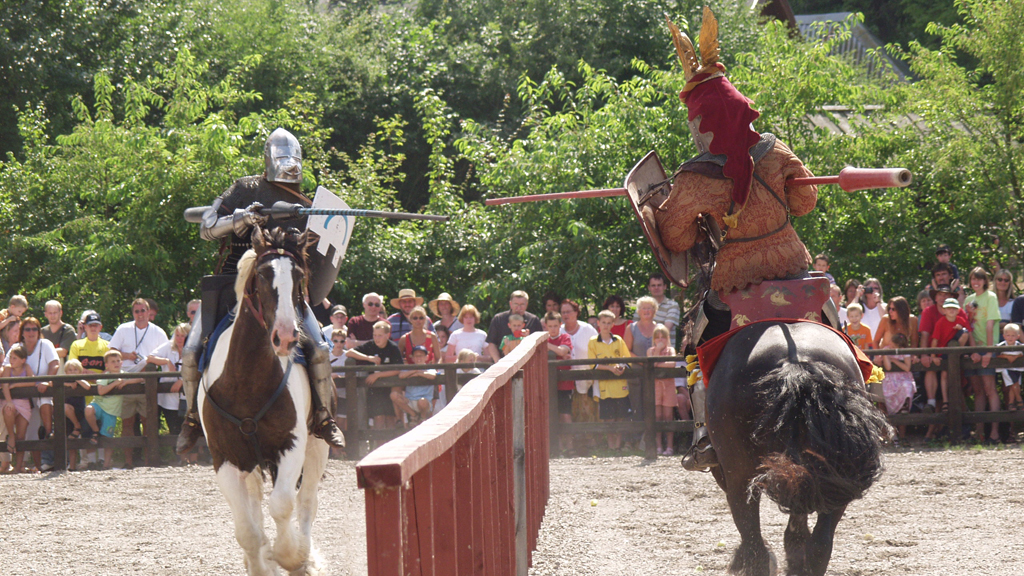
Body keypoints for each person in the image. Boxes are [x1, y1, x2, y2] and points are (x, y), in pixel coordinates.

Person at [176, 127, 346, 455]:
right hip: (229, 285)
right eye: (284, 161)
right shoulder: (244, 189)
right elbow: (206, 227)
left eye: (294, 162)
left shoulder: (307, 206)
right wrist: (242, 217)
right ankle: (193, 418)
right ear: (269, 160)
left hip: (281, 290)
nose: (290, 169)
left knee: (321, 350)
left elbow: (308, 260)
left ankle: (324, 417)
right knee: (190, 352)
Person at [109, 298, 169, 462]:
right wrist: (127, 356)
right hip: (126, 379)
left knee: (148, 421)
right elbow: (111, 352)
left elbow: (166, 354)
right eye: (137, 311)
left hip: (147, 381)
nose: (140, 314)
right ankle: (129, 461)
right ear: (133, 313)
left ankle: (150, 459)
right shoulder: (123, 329)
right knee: (127, 422)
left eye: (143, 311)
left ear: (149, 312)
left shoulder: (158, 332)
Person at [6, 318, 59, 471]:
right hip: (23, 396)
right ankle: (38, 466)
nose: (31, 332)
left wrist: (47, 381)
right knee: (31, 433)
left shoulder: (46, 344)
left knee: (46, 413)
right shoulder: (16, 348)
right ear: (22, 332)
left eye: (34, 329)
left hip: (42, 390)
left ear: (39, 331)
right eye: (27, 329)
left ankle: (50, 455)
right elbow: (6, 367)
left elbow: (54, 363)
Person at [84, 350, 143, 469]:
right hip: (99, 405)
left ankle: (106, 465)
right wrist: (115, 383)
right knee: (88, 410)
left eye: (118, 361)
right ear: (107, 365)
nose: (116, 363)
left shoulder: (124, 375)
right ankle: (96, 431)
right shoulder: (106, 375)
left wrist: (125, 382)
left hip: (111, 412)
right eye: (112, 361)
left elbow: (141, 379)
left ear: (122, 363)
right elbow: (101, 391)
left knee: (108, 438)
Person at [964, 267, 1001, 442]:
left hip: (988, 347)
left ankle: (994, 431)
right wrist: (973, 350)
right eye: (973, 279)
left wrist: (987, 351)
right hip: (974, 349)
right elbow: (967, 326)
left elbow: (989, 325)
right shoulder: (969, 300)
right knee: (978, 391)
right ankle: (979, 432)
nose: (976, 282)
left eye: (979, 279)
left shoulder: (991, 297)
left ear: (985, 281)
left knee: (990, 389)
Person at [345, 321, 403, 431]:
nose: (377, 338)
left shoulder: (393, 348)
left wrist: (378, 375)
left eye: (380, 335)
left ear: (387, 335)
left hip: (390, 388)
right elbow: (349, 353)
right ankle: (379, 446)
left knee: (390, 419)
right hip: (375, 389)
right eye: (374, 335)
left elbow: (397, 369)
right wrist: (368, 358)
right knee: (378, 418)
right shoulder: (370, 345)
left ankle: (392, 445)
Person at [146, 323, 190, 464]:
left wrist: (182, 380)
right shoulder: (168, 347)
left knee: (189, 426)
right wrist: (166, 361)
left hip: (187, 396)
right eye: (177, 335)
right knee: (173, 427)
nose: (179, 338)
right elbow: (150, 358)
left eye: (182, 336)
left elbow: (199, 367)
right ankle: (179, 457)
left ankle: (190, 457)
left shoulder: (193, 350)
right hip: (168, 398)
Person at [589, 310, 630, 450]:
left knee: (620, 417)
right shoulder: (593, 341)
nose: (605, 326)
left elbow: (627, 359)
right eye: (603, 323)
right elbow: (593, 364)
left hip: (620, 385)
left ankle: (617, 447)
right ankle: (611, 446)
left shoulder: (619, 340)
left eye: (608, 323)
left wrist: (621, 366)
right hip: (604, 386)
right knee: (608, 418)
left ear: (613, 324)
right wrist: (610, 368)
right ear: (598, 323)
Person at [560, 299, 599, 431]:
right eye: (563, 312)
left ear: (576, 312)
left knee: (587, 410)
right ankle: (573, 443)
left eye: (569, 312)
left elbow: (599, 349)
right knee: (569, 410)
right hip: (566, 380)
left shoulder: (588, 329)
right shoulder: (559, 331)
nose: (566, 315)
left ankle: (590, 441)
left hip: (586, 377)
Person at [623, 296, 658, 433]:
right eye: (643, 308)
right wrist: (643, 362)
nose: (646, 311)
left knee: (653, 404)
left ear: (654, 310)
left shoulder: (659, 328)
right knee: (636, 404)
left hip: (655, 373)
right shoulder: (631, 328)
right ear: (638, 311)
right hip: (636, 373)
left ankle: (653, 437)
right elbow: (626, 351)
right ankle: (637, 438)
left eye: (649, 308)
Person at [542, 311, 573, 453]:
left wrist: (547, 346)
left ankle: (570, 446)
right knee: (551, 414)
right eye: (550, 326)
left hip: (564, 383)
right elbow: (560, 353)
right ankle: (557, 446)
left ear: (560, 325)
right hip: (547, 383)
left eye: (555, 325)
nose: (553, 329)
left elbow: (562, 351)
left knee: (565, 414)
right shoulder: (543, 339)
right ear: (546, 326)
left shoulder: (565, 337)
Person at [1, 346, 34, 473]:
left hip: (24, 402)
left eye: (15, 358)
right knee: (8, 410)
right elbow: (4, 385)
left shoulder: (27, 368)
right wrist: (9, 401)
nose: (11, 360)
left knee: (22, 435)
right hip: (10, 401)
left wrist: (16, 384)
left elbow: (32, 381)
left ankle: (18, 466)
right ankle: (11, 436)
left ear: (23, 359)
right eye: (11, 357)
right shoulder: (7, 369)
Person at [485, 290, 543, 362]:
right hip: (503, 362)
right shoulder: (499, 319)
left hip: (527, 364)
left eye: (522, 304)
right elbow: (492, 343)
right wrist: (498, 362)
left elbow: (540, 345)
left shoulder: (533, 320)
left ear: (526, 305)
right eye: (516, 304)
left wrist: (528, 338)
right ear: (510, 304)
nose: (519, 308)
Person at [648, 323, 677, 456]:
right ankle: (658, 446)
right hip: (656, 387)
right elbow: (651, 365)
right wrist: (658, 352)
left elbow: (672, 364)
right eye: (657, 337)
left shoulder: (671, 350)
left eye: (663, 337)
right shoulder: (650, 351)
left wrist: (658, 364)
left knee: (668, 416)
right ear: (654, 339)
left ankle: (669, 446)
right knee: (657, 416)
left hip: (669, 387)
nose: (660, 340)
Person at [880, 333, 915, 442]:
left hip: (903, 377)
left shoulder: (905, 352)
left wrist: (895, 360)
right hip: (890, 378)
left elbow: (907, 367)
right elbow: (888, 367)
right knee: (887, 395)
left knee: (907, 386)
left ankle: (904, 405)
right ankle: (893, 435)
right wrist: (886, 356)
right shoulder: (886, 350)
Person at [633, 274, 680, 348]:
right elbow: (634, 329)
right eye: (653, 285)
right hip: (642, 352)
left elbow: (665, 330)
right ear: (649, 287)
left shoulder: (672, 305)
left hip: (665, 353)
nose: (656, 288)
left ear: (665, 286)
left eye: (659, 285)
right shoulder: (641, 305)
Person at [395, 345, 437, 426]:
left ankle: (422, 418)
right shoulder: (409, 368)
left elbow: (432, 375)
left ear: (426, 357)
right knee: (394, 395)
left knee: (422, 401)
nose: (418, 358)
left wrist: (418, 373)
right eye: (416, 356)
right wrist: (416, 370)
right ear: (413, 358)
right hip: (409, 401)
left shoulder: (430, 368)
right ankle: (413, 415)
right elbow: (401, 375)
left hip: (424, 402)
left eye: (421, 355)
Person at [61, 360, 91, 471]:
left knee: (82, 438)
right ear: (66, 372)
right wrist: (68, 384)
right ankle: (72, 466)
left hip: (79, 411)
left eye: (75, 370)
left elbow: (88, 387)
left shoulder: (81, 380)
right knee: (70, 438)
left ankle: (86, 462)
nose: (72, 372)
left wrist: (78, 379)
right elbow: (52, 383)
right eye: (70, 370)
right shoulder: (63, 380)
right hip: (68, 415)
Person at [997, 323, 1023, 411]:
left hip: (1018, 368)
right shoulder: (1001, 346)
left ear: (1018, 336)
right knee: (1014, 383)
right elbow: (996, 355)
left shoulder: (1020, 346)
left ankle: (1011, 404)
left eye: (1013, 335)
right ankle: (1019, 400)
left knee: (1013, 386)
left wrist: (1016, 357)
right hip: (1006, 369)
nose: (1010, 338)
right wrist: (1006, 357)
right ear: (1004, 336)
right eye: (1008, 335)